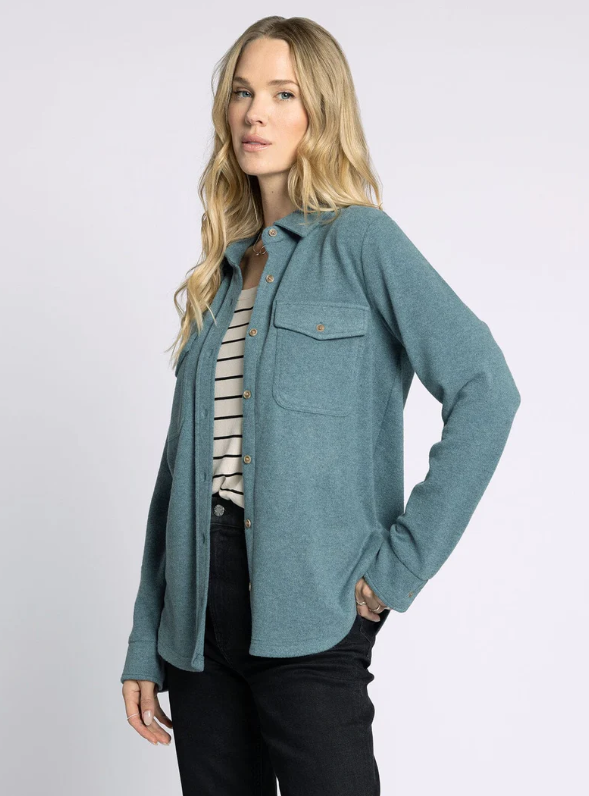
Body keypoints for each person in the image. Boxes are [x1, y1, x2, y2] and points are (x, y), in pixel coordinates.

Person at [120, 15, 521, 796]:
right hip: (195, 626)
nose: (254, 113)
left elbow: (486, 389)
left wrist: (396, 570)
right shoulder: (220, 278)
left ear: (320, 111)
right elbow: (178, 478)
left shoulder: (361, 242)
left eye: (282, 93)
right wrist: (146, 636)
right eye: (241, 93)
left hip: (313, 604)